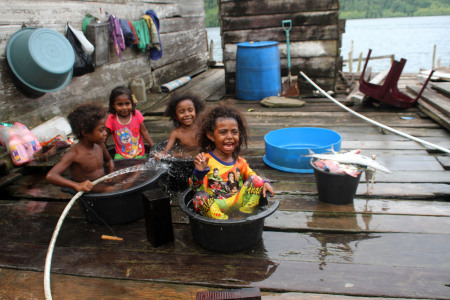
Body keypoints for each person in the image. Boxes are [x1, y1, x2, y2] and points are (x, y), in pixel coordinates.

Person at [190, 104, 275, 219]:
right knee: (199, 197)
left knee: (257, 180)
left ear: (239, 134)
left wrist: (265, 183)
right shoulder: (205, 160)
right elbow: (195, 189)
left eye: (234, 132)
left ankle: (243, 216)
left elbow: (253, 177)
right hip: (215, 205)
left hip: (236, 202)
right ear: (211, 135)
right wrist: (199, 172)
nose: (230, 137)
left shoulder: (240, 162)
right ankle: (224, 221)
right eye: (223, 132)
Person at [46, 103, 115, 193]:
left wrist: (111, 172)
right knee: (116, 190)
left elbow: (109, 160)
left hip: (103, 181)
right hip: (88, 190)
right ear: (85, 132)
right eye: (101, 130)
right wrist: (76, 185)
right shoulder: (74, 154)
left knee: (134, 175)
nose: (105, 133)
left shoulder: (99, 145)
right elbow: (51, 176)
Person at [106, 86, 154, 159]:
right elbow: (104, 136)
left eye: (127, 103)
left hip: (138, 153)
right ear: (113, 105)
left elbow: (144, 132)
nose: (124, 107)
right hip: (121, 154)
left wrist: (153, 147)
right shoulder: (112, 118)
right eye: (120, 104)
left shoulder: (136, 115)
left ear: (132, 103)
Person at [155, 93, 205, 159]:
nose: (187, 114)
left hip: (202, 157)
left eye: (190, 110)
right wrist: (161, 154)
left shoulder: (202, 128)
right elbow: (166, 151)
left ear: (196, 111)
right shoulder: (176, 133)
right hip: (185, 158)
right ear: (175, 116)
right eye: (182, 112)